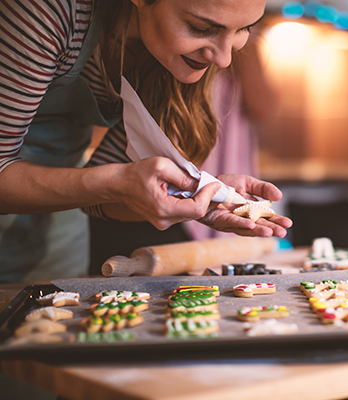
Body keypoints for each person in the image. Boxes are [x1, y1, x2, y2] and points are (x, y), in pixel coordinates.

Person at [0, 0, 292, 283]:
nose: (224, 59)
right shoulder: (50, 10)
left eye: (244, 29)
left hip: (56, 226)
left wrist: (199, 199)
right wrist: (115, 181)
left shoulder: (165, 59)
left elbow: (98, 201)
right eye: (201, 28)